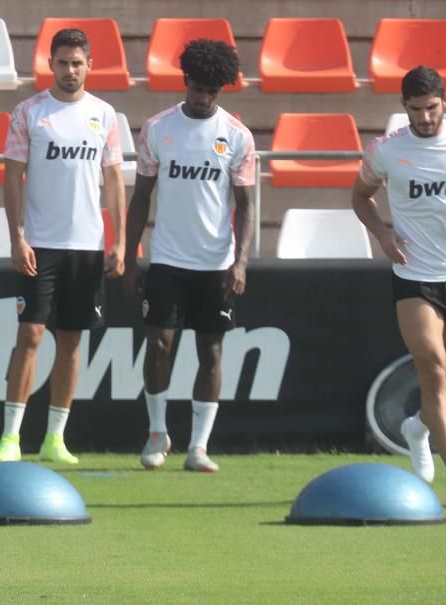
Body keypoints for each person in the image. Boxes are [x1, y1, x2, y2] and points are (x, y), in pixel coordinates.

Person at [0, 28, 125, 465]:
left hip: (86, 246)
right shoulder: (30, 112)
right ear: (51, 64)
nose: (70, 70)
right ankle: (11, 438)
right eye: (63, 62)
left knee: (71, 341)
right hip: (41, 244)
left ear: (90, 66)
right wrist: (17, 235)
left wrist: (120, 240)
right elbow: (12, 176)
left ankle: (55, 438)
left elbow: (115, 181)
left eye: (77, 62)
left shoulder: (105, 114)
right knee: (29, 335)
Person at [123, 39, 255, 473]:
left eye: (211, 92)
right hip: (167, 259)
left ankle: (199, 446)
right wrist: (130, 254)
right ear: (185, 82)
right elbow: (140, 197)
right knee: (158, 346)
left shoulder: (237, 136)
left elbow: (248, 205)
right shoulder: (158, 129)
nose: (203, 98)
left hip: (215, 263)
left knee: (211, 353)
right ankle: (157, 434)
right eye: (197, 89)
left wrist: (240, 262)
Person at [352, 65, 446, 486]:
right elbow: (361, 197)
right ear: (403, 107)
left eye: (431, 108)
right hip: (415, 276)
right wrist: (382, 232)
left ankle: (418, 426)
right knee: (431, 366)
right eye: (416, 109)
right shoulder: (386, 151)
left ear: (444, 101)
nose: (424, 117)